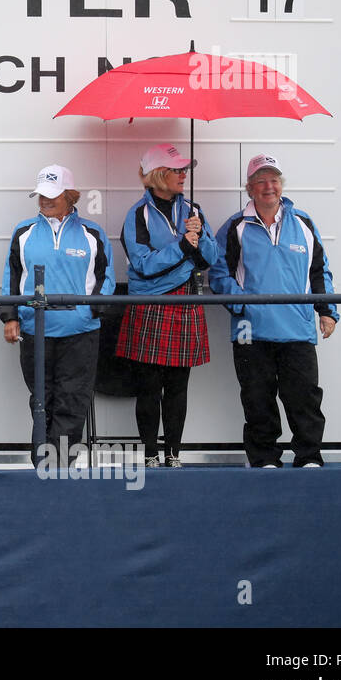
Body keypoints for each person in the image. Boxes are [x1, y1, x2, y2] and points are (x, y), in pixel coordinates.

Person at [209, 154, 338, 468]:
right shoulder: (235, 227)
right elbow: (217, 273)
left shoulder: (304, 224)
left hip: (298, 328)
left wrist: (326, 310)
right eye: (261, 181)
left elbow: (319, 271)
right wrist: (241, 304)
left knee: (304, 397)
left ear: (281, 185)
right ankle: (264, 458)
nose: (269, 186)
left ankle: (309, 456)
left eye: (274, 180)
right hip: (250, 330)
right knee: (257, 398)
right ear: (250, 188)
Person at [0, 164, 115, 457]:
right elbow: (11, 275)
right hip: (34, 330)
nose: (45, 201)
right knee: (42, 399)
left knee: (72, 400)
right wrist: (10, 316)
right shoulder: (23, 232)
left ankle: (58, 466)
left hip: (80, 333)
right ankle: (44, 465)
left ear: (70, 196)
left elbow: (106, 276)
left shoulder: (92, 233)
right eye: (41, 195)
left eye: (52, 195)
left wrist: (92, 311)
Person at [116, 144, 219, 468]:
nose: (183, 175)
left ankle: (173, 453)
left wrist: (199, 238)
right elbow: (143, 264)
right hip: (151, 303)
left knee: (178, 385)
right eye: (177, 170)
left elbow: (211, 259)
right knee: (149, 386)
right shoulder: (137, 215)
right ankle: (148, 454)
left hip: (186, 300)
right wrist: (182, 247)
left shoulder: (193, 210)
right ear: (159, 174)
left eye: (185, 170)